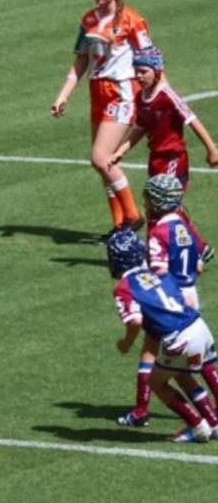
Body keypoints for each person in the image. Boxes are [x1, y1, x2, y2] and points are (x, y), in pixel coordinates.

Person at [51, 0, 152, 234]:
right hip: (97, 92)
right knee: (104, 163)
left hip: (121, 92)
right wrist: (63, 96)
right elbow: (80, 62)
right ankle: (119, 225)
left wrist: (153, 90)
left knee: (99, 157)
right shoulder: (88, 21)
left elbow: (150, 58)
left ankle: (132, 215)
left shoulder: (132, 20)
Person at [118, 174, 217, 427]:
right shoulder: (183, 224)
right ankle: (210, 418)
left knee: (153, 352)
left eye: (148, 198)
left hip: (171, 298)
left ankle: (142, 409)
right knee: (201, 359)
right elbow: (202, 257)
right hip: (190, 292)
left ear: (157, 201)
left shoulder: (158, 231)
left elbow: (160, 270)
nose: (146, 203)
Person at [106, 229, 218, 443]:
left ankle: (198, 426)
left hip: (180, 338)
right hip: (199, 326)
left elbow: (135, 320)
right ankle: (214, 422)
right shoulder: (157, 272)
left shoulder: (123, 287)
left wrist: (125, 343)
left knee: (155, 382)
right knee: (181, 374)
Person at [112, 47, 218, 192]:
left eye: (143, 71)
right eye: (136, 71)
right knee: (155, 202)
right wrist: (121, 151)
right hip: (155, 158)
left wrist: (212, 149)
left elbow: (192, 119)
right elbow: (140, 127)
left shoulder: (167, 96)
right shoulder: (140, 98)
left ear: (156, 71)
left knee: (165, 197)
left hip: (173, 157)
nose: (139, 76)